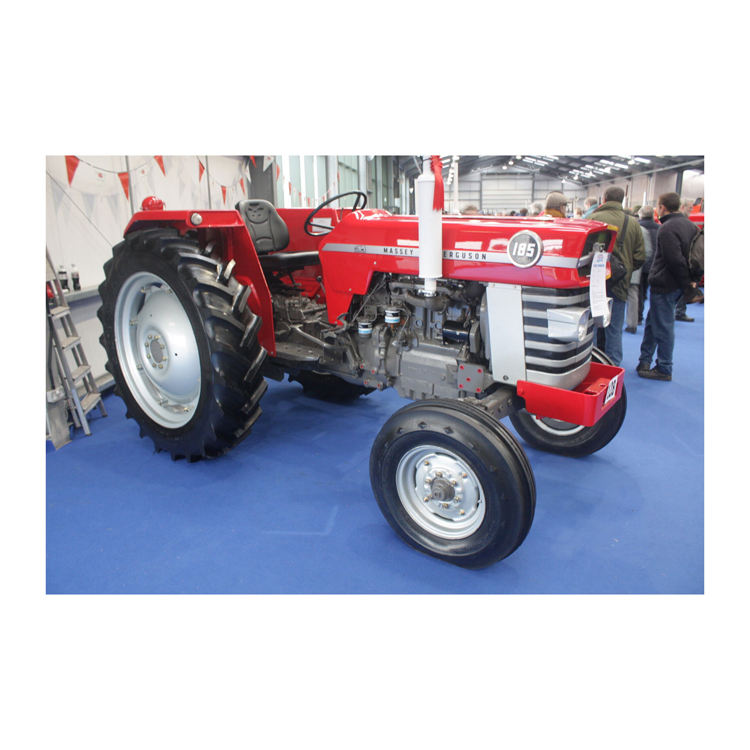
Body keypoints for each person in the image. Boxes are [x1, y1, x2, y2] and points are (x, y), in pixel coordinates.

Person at [636, 191, 698, 381]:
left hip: (666, 284)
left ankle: (664, 367)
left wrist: (686, 284)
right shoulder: (691, 226)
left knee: (663, 326)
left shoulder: (668, 228)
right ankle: (645, 360)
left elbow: (674, 259)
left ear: (662, 207)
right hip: (674, 284)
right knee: (653, 322)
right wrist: (690, 282)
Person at [588, 186, 645, 365]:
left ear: (604, 199)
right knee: (614, 329)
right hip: (619, 283)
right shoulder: (633, 223)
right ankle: (613, 367)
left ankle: (591, 364)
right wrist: (625, 270)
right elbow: (640, 257)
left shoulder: (592, 219)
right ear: (622, 200)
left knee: (592, 328)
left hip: (594, 282)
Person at [673, 198, 696, 322]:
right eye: (689, 208)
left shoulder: (689, 224)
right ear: (682, 207)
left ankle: (680, 311)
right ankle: (678, 311)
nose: (691, 210)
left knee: (683, 289)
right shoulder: (681, 224)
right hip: (679, 261)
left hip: (685, 261)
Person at [637, 205, 659, 324]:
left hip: (641, 264)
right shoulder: (660, 228)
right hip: (655, 265)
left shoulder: (637, 227)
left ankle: (639, 316)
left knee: (639, 292)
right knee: (651, 292)